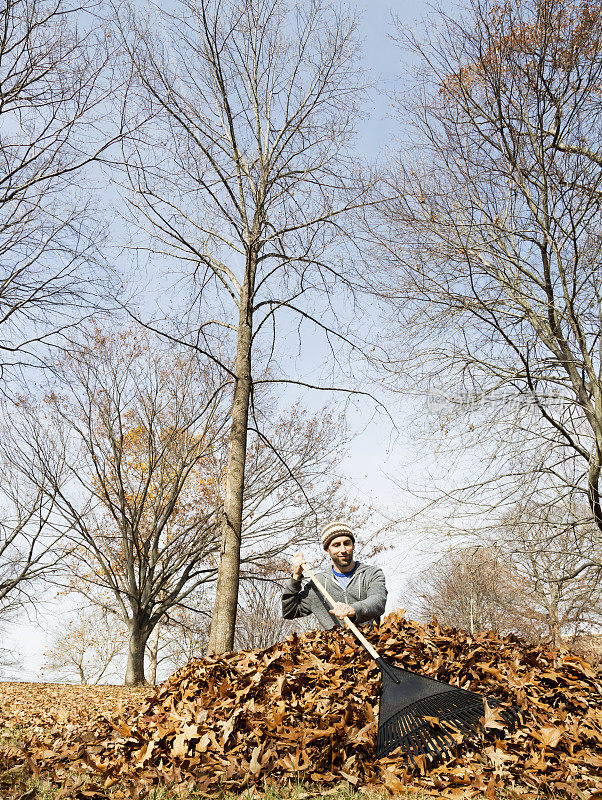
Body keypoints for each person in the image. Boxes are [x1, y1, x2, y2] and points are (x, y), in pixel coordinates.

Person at [282, 520, 387, 629]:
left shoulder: (371, 574)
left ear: (353, 545)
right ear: (327, 550)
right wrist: (296, 577)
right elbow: (290, 611)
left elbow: (378, 601)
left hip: (370, 643)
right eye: (336, 545)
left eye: (346, 543)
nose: (343, 550)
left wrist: (353, 609)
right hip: (335, 645)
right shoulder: (318, 583)